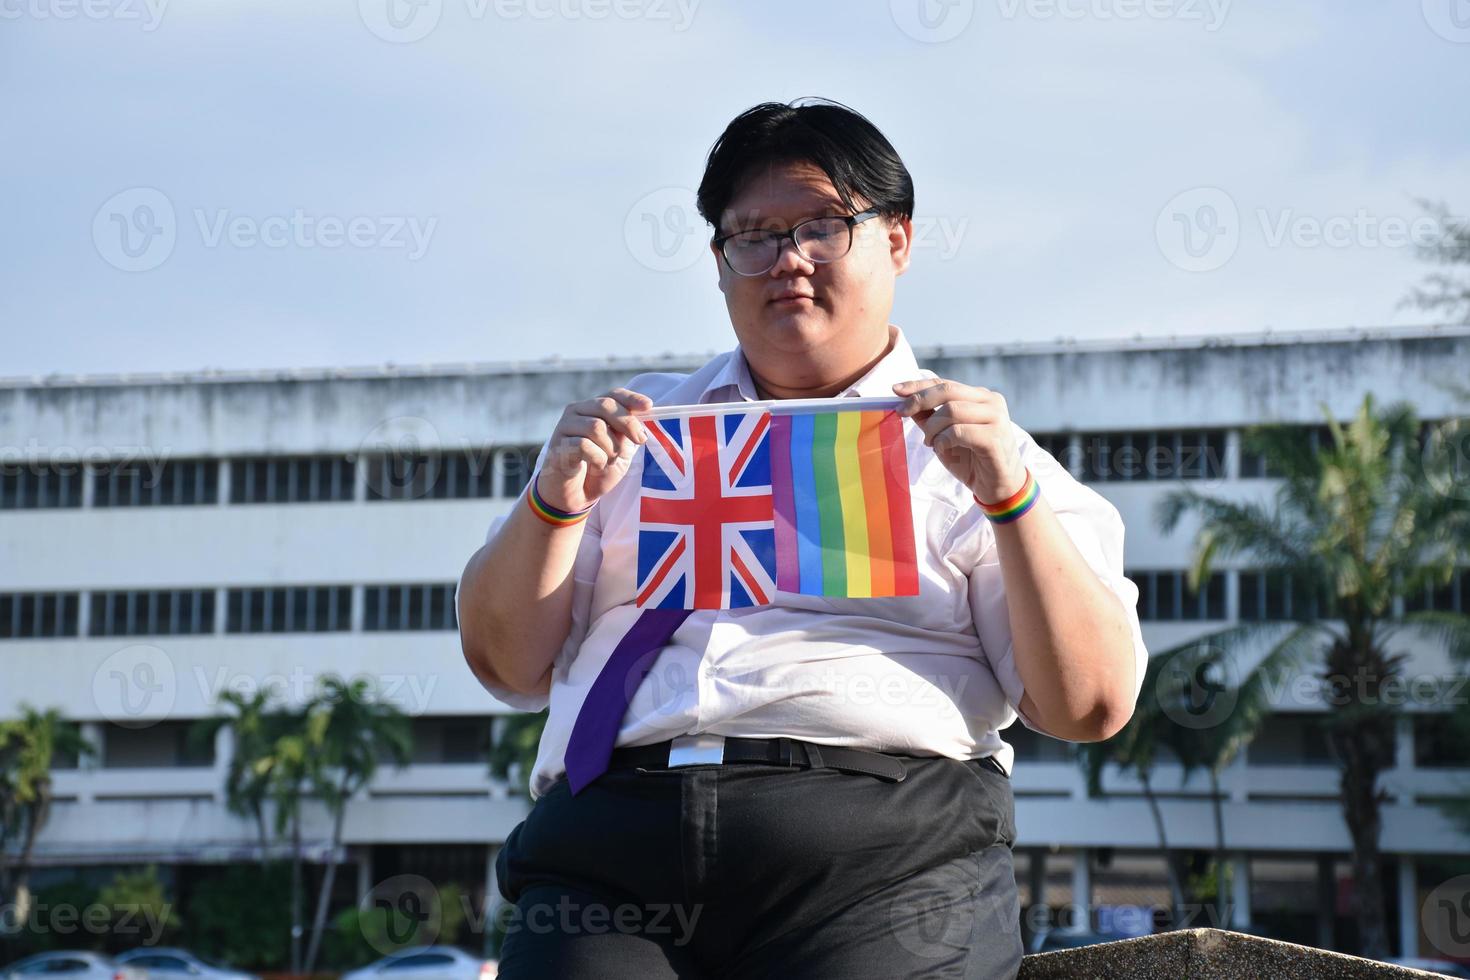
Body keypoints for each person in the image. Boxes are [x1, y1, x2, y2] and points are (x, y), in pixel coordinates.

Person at [456, 97, 1148, 979]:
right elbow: (503, 664)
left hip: (881, 847)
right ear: (717, 263)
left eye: (822, 226)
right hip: (614, 839)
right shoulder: (634, 430)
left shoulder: (979, 452)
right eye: (753, 234)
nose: (786, 260)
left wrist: (1009, 499)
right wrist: (555, 505)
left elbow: (1088, 705)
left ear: (896, 239)